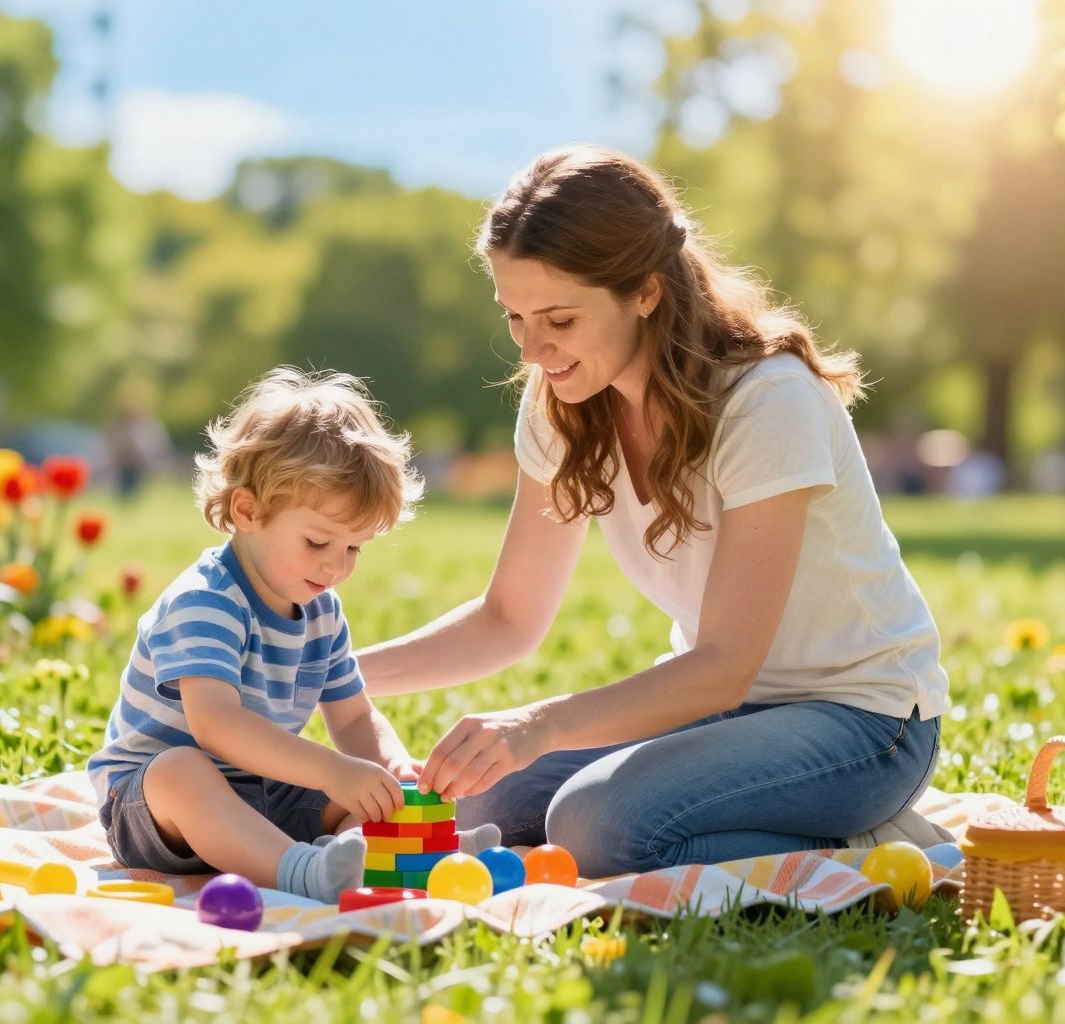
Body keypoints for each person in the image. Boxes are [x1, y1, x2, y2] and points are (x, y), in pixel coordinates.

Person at [356, 145, 949, 878]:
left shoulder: (767, 399)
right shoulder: (564, 408)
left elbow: (726, 667)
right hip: (720, 714)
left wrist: (539, 725)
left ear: (644, 290)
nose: (535, 350)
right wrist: (336, 676)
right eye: (515, 317)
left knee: (593, 825)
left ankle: (865, 845)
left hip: (862, 721)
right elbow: (510, 616)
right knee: (480, 804)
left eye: (560, 320)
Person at [87, 368, 498, 901]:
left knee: (369, 795)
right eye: (317, 542)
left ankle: (412, 851)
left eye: (353, 548)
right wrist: (332, 769)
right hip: (155, 809)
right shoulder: (206, 602)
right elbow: (216, 727)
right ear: (248, 510)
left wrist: (393, 771)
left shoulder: (320, 610)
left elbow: (353, 715)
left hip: (263, 795)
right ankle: (300, 872)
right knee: (182, 770)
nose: (335, 567)